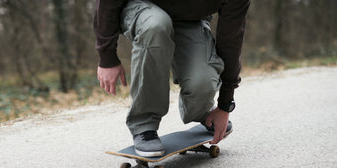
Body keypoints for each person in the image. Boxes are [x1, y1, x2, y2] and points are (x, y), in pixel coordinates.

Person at [94, 0, 250, 157]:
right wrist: (107, 58)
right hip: (142, 9)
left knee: (202, 83)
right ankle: (144, 125)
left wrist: (224, 105)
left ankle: (201, 111)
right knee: (157, 24)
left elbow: (231, 39)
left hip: (189, 20)